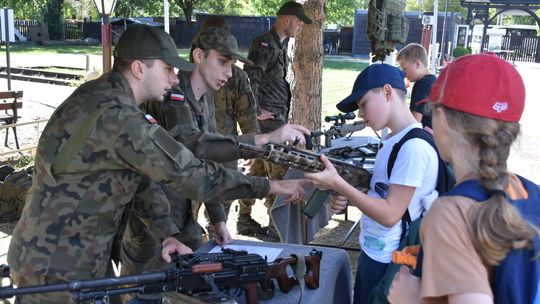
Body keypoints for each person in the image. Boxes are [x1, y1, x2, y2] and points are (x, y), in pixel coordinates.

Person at [6, 25, 306, 303]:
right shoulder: (118, 118)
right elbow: (189, 173)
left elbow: (142, 178)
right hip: (57, 265)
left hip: (72, 257)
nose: (175, 78)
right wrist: (271, 185)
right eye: (167, 69)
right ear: (139, 68)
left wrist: (166, 234)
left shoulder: (103, 98)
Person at [120, 26, 310, 302]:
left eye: (232, 64)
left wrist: (219, 219)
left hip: (183, 215)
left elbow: (207, 161)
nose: (230, 73)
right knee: (143, 294)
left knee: (207, 283)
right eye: (223, 62)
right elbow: (192, 143)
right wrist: (265, 138)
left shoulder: (205, 96)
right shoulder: (171, 95)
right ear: (198, 55)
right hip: (151, 221)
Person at [388, 54, 538, 304]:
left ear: (443, 119)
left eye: (431, 110)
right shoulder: (530, 193)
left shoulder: (451, 213)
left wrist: (411, 299)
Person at [304, 64, 439, 304]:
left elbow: (390, 214)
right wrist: (352, 193)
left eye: (363, 103)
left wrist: (339, 183)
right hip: (376, 251)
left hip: (393, 261)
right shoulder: (391, 140)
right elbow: (381, 194)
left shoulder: (413, 147)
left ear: (387, 92)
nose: (360, 114)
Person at [241, 0, 312, 238]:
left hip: (275, 120)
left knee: (259, 171)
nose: (300, 26)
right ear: (286, 19)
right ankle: (276, 229)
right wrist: (256, 110)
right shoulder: (265, 44)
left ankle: (244, 219)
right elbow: (250, 77)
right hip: (268, 124)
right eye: (299, 21)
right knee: (279, 171)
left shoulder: (280, 45)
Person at [191, 16, 266, 236]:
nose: (227, 70)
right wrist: (253, 144)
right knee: (217, 211)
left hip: (208, 150)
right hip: (224, 149)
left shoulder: (188, 72)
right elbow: (247, 114)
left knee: (194, 210)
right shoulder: (237, 76)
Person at [397, 43, 437, 130]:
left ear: (417, 64)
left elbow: (414, 122)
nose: (403, 74)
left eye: (405, 69)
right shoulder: (433, 81)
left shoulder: (422, 84)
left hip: (423, 138)